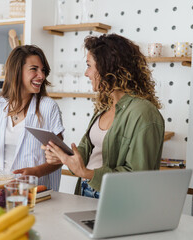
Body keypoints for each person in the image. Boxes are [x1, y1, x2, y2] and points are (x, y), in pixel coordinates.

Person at [44, 34, 165, 198]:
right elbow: (87, 151)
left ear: (107, 68)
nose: (86, 73)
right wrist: (63, 157)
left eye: (89, 66)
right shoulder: (105, 106)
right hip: (86, 189)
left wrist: (87, 173)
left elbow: (138, 176)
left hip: (114, 198)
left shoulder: (144, 112)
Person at [0, 45, 64, 191]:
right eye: (34, 69)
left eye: (43, 70)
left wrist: (35, 172)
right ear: (17, 72)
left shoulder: (48, 108)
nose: (42, 76)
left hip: (34, 192)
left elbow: (59, 158)